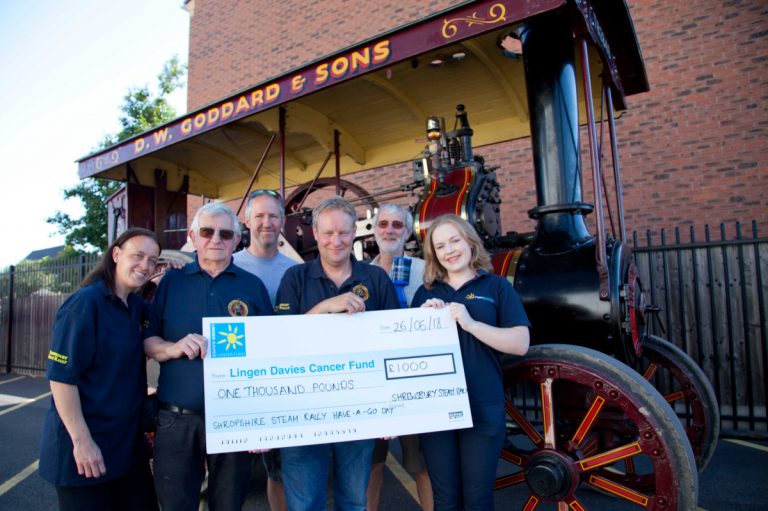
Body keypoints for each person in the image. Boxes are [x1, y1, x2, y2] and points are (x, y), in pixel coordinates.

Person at [143, 203, 273, 511]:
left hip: (234, 418)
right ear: (193, 236)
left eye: (225, 233)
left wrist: (262, 422)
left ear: (237, 239)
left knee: (228, 505)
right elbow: (148, 341)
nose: (216, 239)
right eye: (207, 231)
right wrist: (173, 348)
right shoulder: (170, 282)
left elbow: (269, 356)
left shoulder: (252, 287)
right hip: (177, 419)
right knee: (175, 505)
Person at [275, 196, 400, 511]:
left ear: (354, 233)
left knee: (354, 502)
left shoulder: (376, 279)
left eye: (344, 232)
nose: (336, 240)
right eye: (328, 233)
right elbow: (279, 344)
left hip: (359, 407)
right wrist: (324, 308)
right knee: (304, 505)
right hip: (303, 409)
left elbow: (396, 344)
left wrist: (393, 410)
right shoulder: (295, 278)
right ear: (315, 233)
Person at [413, 214, 530, 510]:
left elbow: (520, 344)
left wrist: (471, 323)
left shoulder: (497, 287)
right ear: (434, 255)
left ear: (469, 241)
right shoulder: (426, 293)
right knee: (446, 500)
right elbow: (409, 355)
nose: (449, 250)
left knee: (478, 498)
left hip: (482, 405)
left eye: (455, 240)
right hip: (437, 407)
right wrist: (423, 323)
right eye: (440, 246)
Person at [39, 227, 161, 511]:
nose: (145, 265)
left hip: (125, 447)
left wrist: (179, 273)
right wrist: (82, 442)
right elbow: (61, 379)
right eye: (138, 256)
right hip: (84, 448)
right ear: (116, 254)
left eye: (152, 260)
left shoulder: (135, 306)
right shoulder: (85, 304)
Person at [233, 188, 298, 511]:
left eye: (273, 215)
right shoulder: (227, 265)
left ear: (283, 221)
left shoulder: (294, 270)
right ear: (246, 220)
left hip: (280, 382)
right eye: (259, 215)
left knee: (279, 471)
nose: (266, 222)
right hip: (236, 384)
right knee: (230, 475)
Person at [366, 203, 433, 511]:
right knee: (372, 464)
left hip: (412, 381)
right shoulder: (360, 272)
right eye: (383, 224)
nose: (389, 230)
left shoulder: (426, 271)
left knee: (420, 464)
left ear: (407, 233)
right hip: (371, 385)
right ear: (374, 229)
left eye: (397, 225)